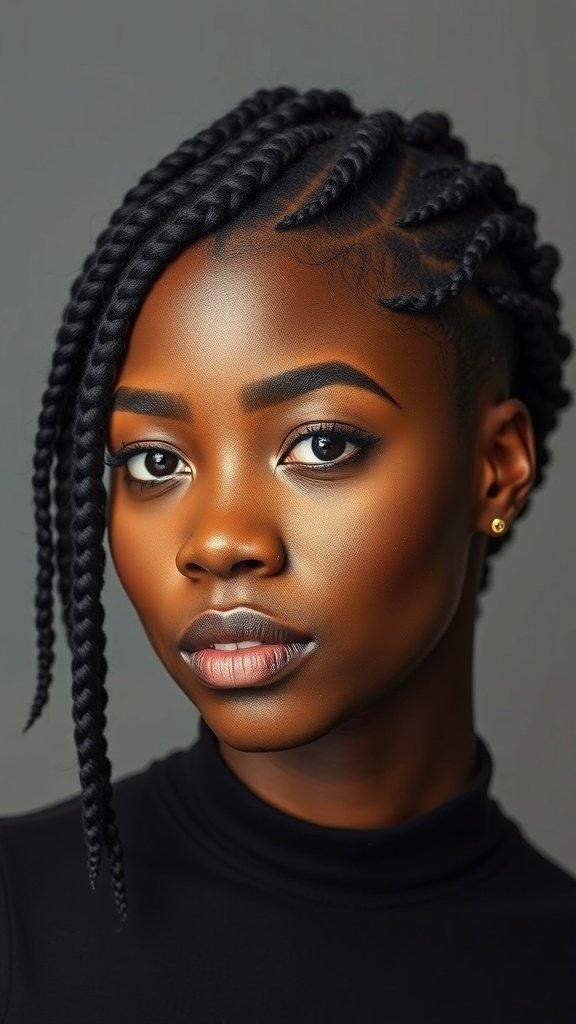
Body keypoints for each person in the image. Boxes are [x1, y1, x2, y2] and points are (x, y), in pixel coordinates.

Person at [0, 85, 574, 1022]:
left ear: (496, 469)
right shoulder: (18, 926)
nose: (219, 541)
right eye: (154, 461)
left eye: (321, 445)